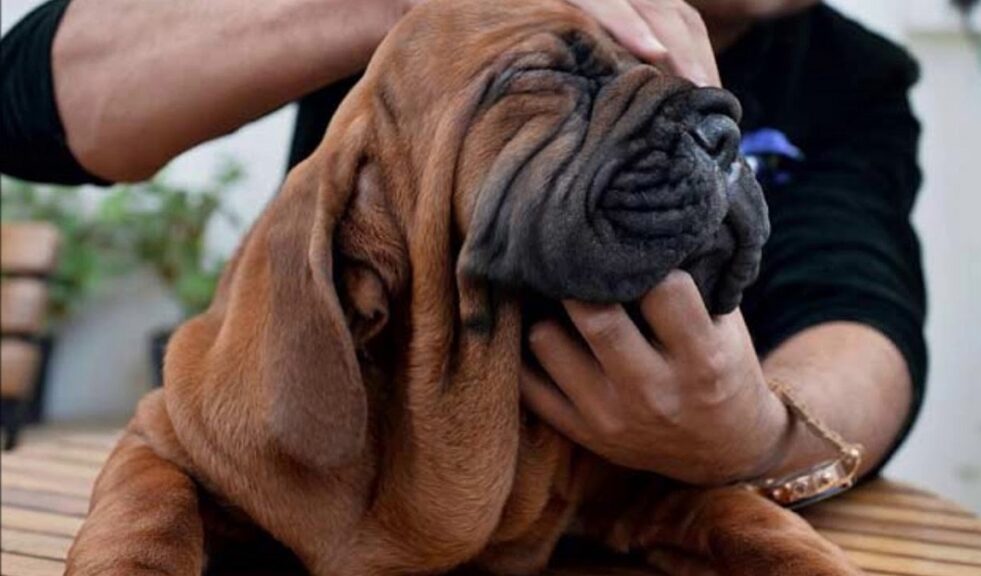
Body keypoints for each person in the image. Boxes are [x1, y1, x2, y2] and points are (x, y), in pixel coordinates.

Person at [1, 0, 926, 494]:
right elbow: (34, 103)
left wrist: (757, 432)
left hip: (602, 507)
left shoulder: (853, 77)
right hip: (332, 453)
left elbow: (864, 318)